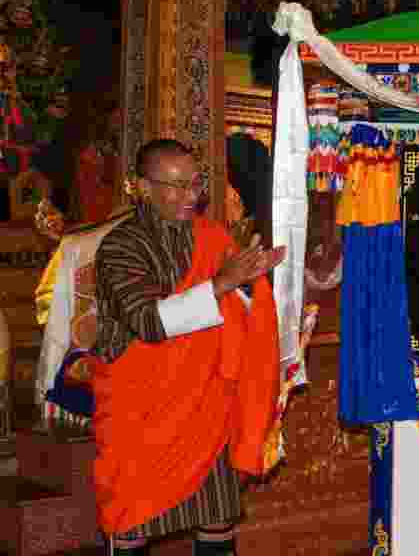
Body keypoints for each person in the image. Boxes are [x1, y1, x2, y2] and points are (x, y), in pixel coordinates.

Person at [91, 139, 286, 555]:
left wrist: (254, 282)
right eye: (175, 186)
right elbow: (148, 322)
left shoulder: (212, 237)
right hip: (141, 411)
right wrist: (222, 284)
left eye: (196, 184)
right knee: (133, 519)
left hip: (205, 404)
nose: (190, 196)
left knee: (216, 517)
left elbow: (238, 307)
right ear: (141, 187)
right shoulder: (120, 247)